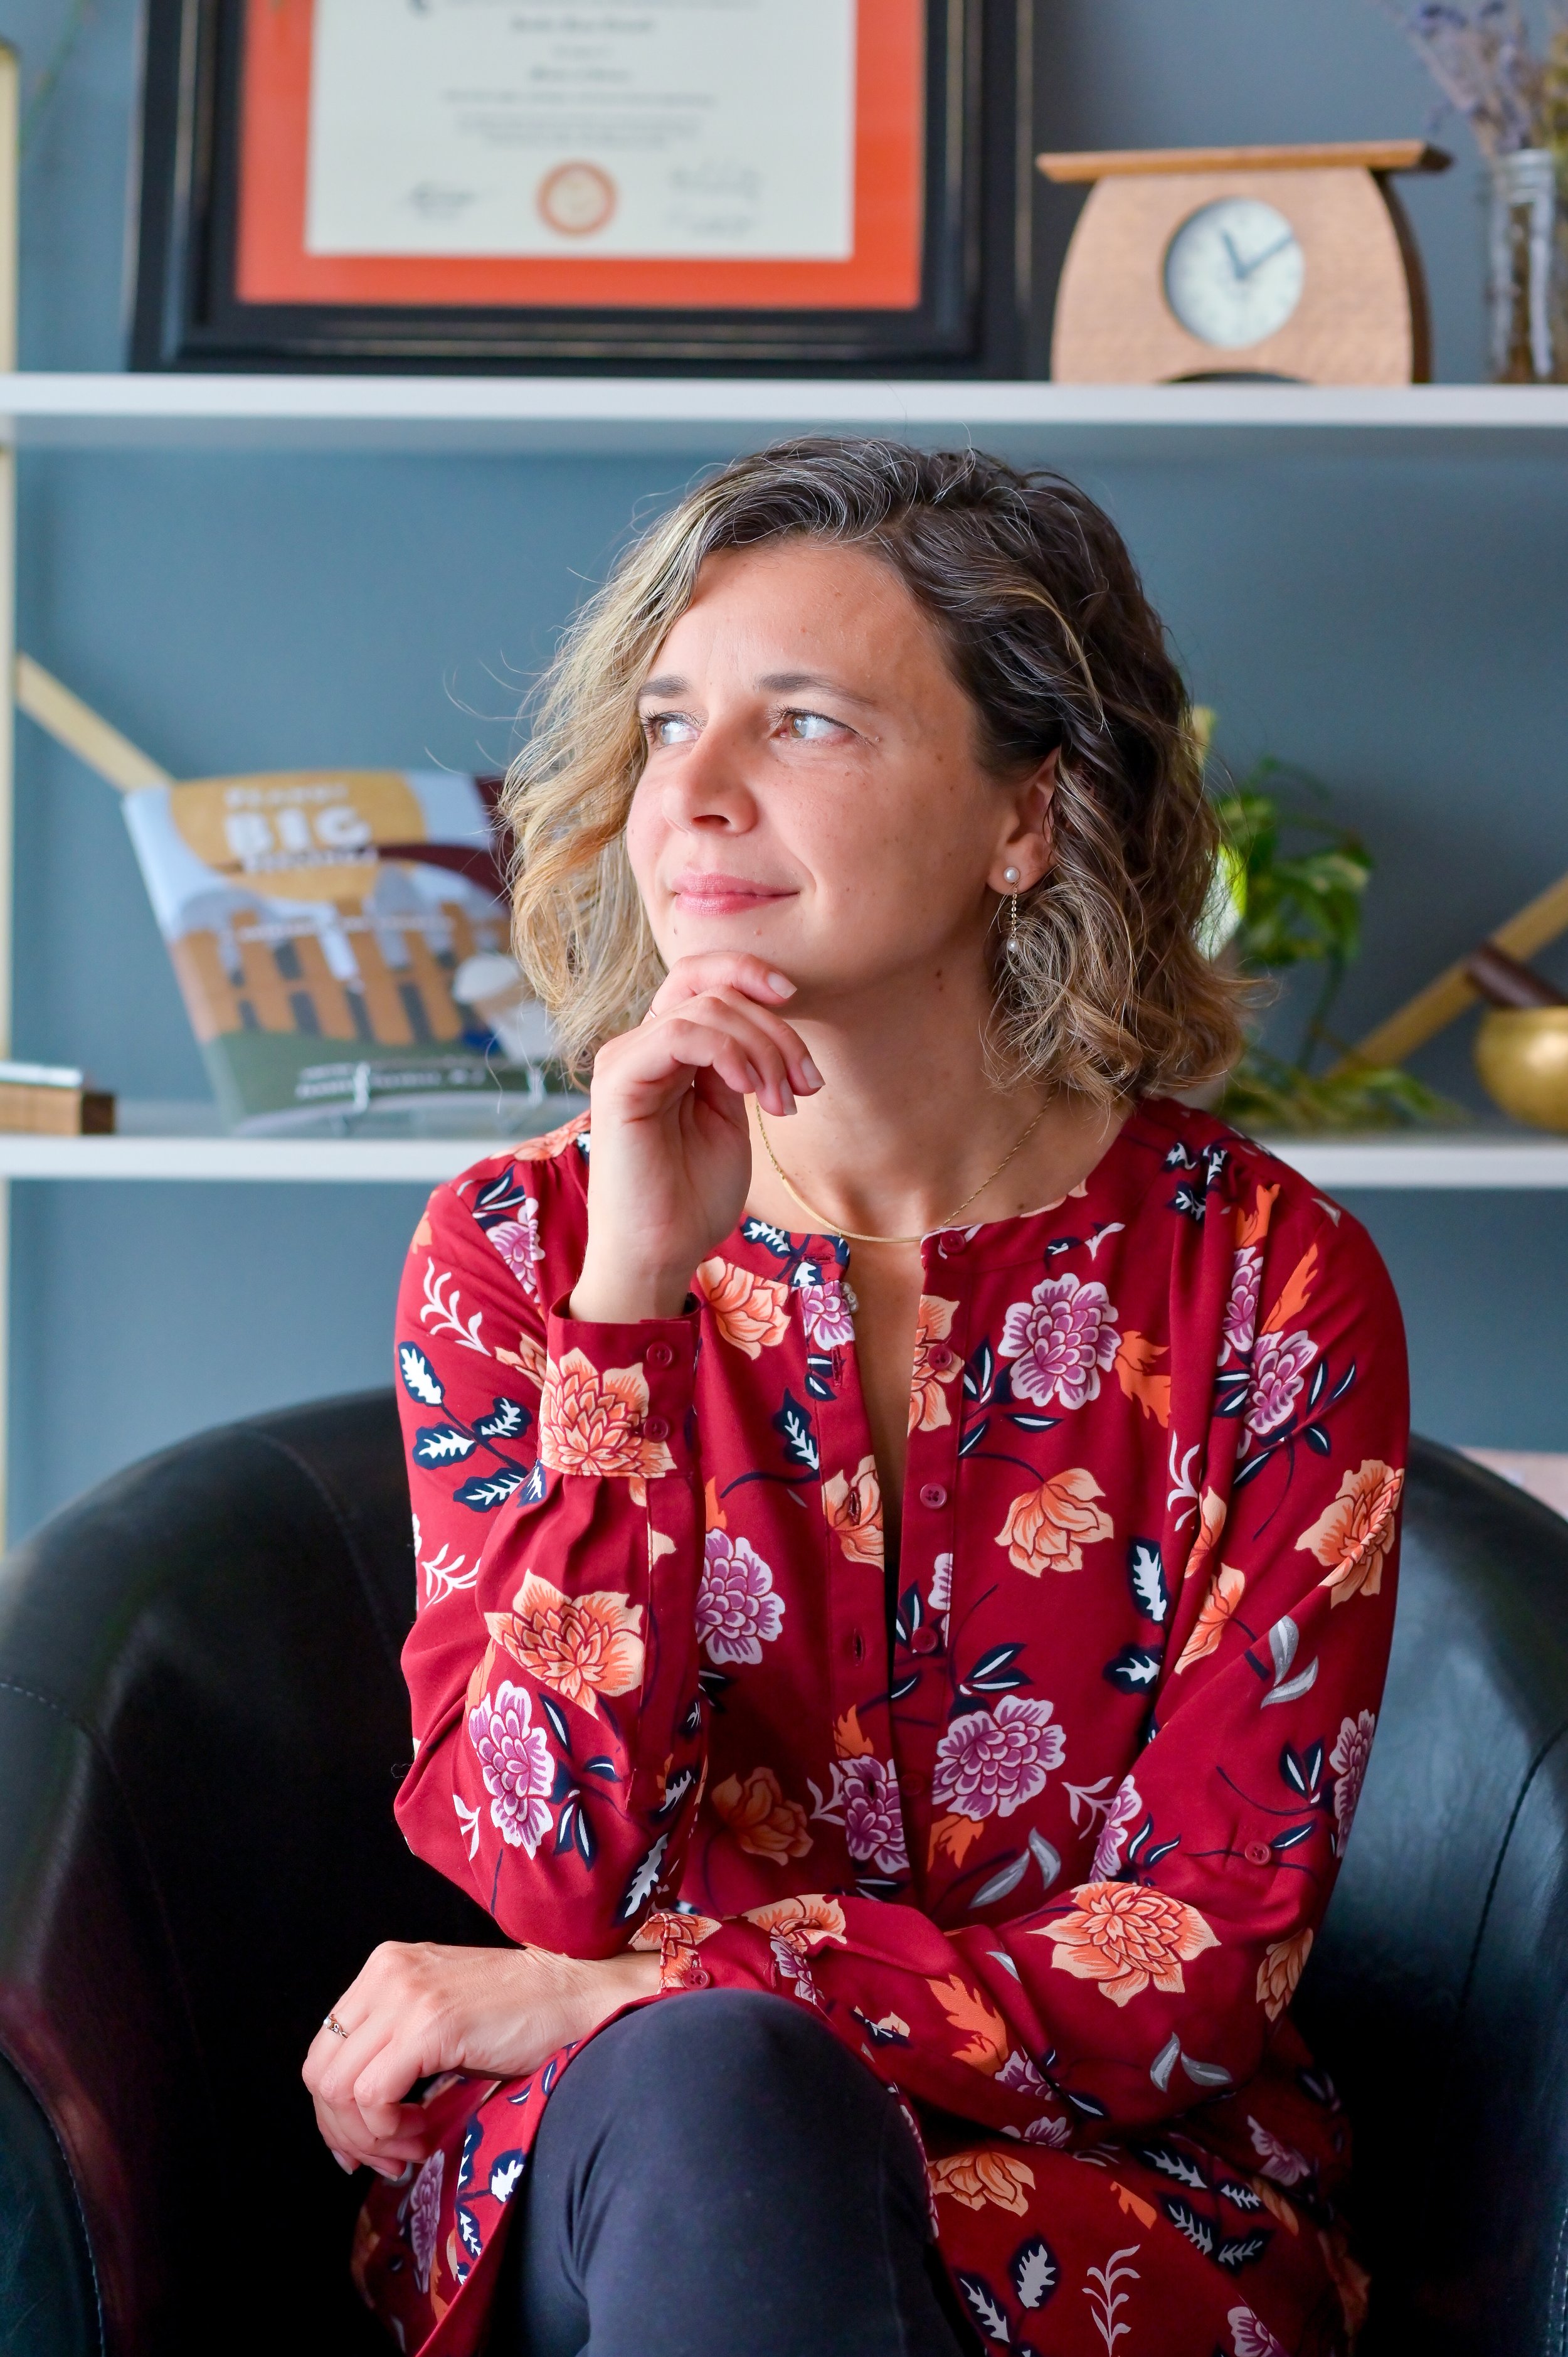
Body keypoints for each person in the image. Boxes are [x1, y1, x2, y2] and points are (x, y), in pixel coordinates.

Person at [303, 440, 1406, 2357]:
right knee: (721, 2112)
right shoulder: (522, 1249)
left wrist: (633, 1989)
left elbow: (1199, 1962)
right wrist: (632, 1308)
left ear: (1025, 817)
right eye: (665, 726)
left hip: (1094, 2191)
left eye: (799, 723)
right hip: (630, 2170)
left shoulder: (1263, 1280)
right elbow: (536, 1867)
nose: (693, 797)